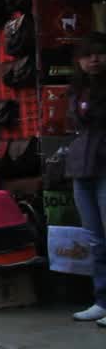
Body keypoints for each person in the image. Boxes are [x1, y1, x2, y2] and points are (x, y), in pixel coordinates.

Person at [68, 36, 106, 325]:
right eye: (88, 55)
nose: (94, 60)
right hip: (83, 167)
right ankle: (101, 300)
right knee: (94, 239)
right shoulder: (77, 90)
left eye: (100, 54)